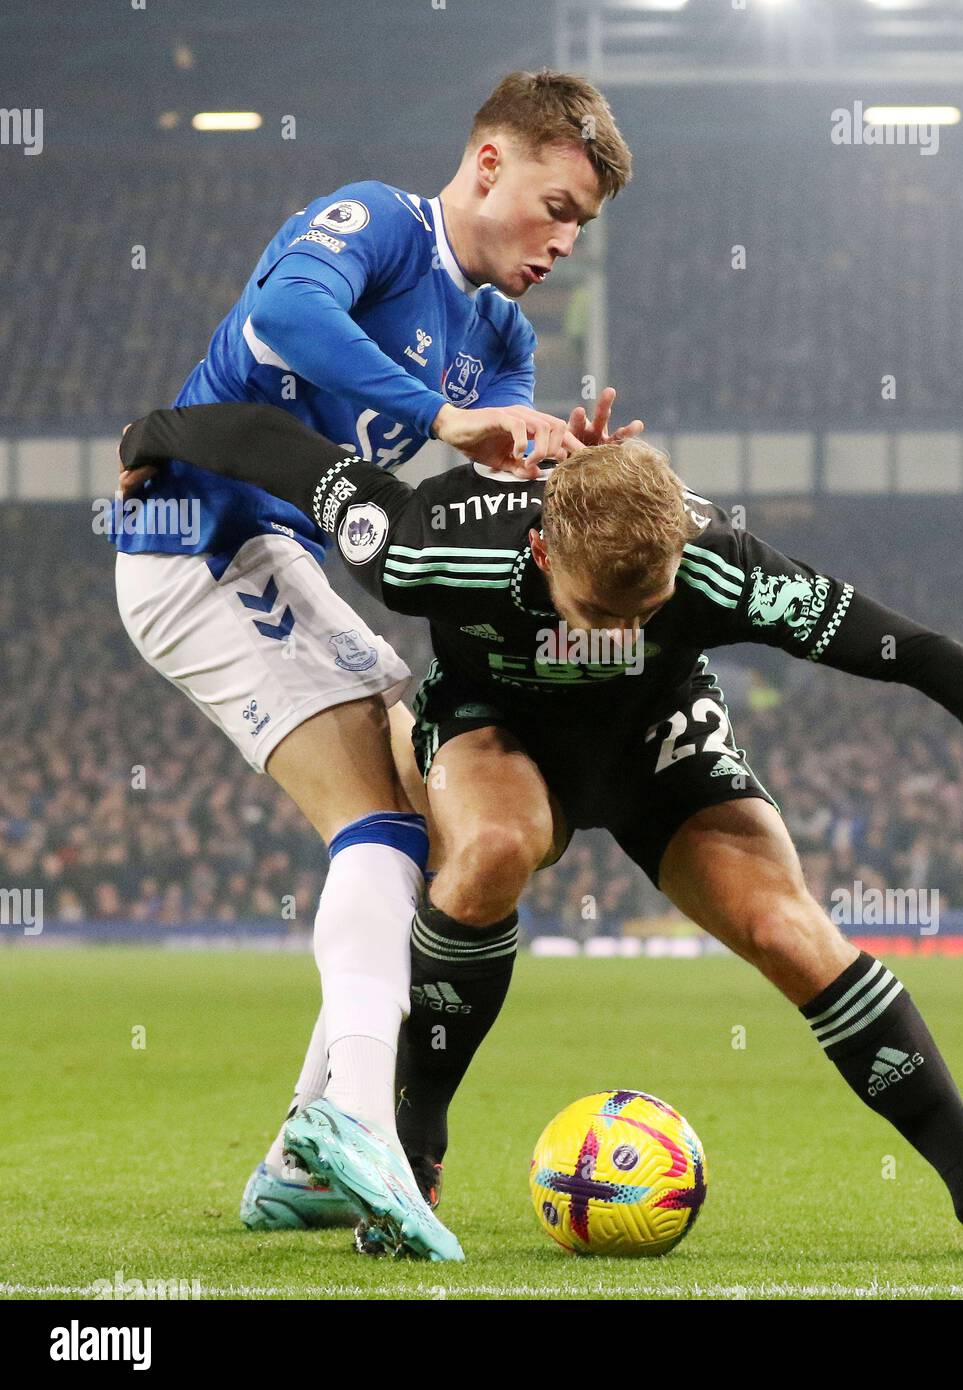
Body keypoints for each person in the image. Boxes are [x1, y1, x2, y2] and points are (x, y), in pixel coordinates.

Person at [119, 401, 963, 1261]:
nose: (618, 632)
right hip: (495, 727)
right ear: (543, 551)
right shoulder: (431, 544)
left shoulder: (718, 564)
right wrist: (149, 434)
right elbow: (271, 442)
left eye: (646, 607)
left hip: (652, 741)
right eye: (597, 610)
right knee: (495, 847)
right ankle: (413, 1146)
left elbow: (903, 646)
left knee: (790, 932)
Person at [112, 70, 637, 1261]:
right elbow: (284, 322)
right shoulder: (374, 224)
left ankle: (303, 1153)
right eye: (554, 206)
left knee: (421, 809)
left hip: (275, 554)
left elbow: (462, 498)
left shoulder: (498, 332)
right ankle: (354, 1118)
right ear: (489, 160)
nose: (562, 241)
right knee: (379, 824)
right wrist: (447, 422)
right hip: (194, 537)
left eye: (583, 227)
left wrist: (554, 471)